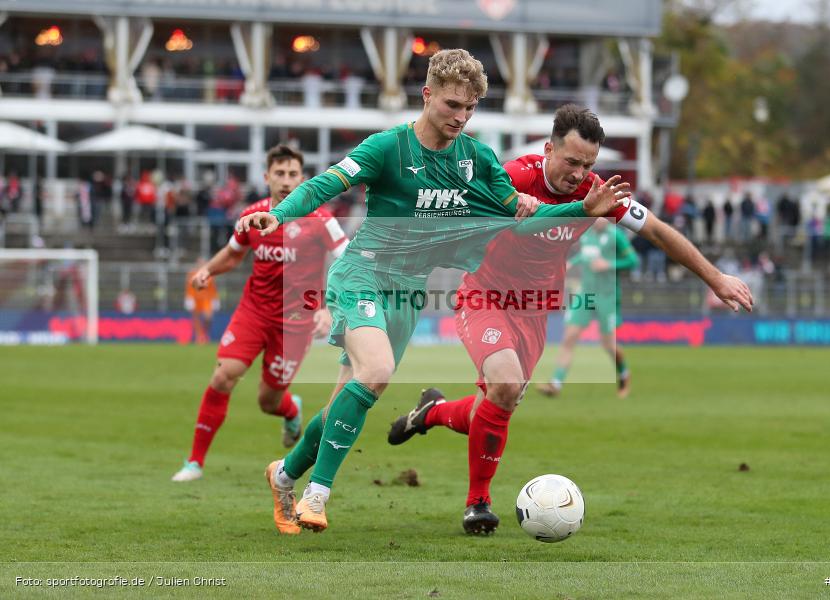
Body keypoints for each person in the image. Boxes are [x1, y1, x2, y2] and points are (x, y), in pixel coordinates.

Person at [237, 50, 634, 535]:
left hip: (409, 291)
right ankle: (316, 496)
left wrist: (580, 210)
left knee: (347, 398)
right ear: (427, 95)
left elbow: (522, 218)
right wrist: (279, 214)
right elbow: (324, 185)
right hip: (363, 273)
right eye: (452, 105)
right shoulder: (387, 147)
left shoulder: (477, 159)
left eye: (470, 108)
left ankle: (283, 475)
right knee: (376, 371)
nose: (461, 117)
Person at [385, 105, 754, 534]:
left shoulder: (596, 193)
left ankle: (431, 412)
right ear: (548, 150)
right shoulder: (512, 177)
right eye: (572, 161)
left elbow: (656, 230)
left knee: (497, 403)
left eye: (588, 165)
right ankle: (478, 503)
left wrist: (715, 278)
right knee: (505, 385)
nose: (579, 174)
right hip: (484, 296)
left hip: (535, 313)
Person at [171, 144, 348, 483]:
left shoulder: (321, 220)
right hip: (253, 312)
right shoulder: (251, 216)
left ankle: (291, 410)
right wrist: (208, 270)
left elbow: (348, 262)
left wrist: (328, 308)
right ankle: (194, 462)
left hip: (295, 324)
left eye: (293, 174)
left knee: (268, 401)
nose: (286, 180)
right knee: (223, 376)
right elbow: (232, 254)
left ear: (303, 178)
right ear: (267, 177)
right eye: (279, 173)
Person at [537, 217, 639, 398]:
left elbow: (633, 260)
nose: (598, 220)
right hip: (585, 293)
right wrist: (571, 263)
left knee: (608, 344)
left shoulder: (616, 235)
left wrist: (609, 264)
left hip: (607, 296)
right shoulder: (586, 233)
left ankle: (624, 373)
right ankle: (556, 383)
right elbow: (585, 255)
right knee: (569, 337)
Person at [184, 257, 220, 344]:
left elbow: (213, 288)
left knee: (208, 318)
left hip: (207, 298)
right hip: (195, 298)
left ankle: (205, 333)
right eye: (200, 263)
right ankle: (199, 336)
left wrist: (215, 299)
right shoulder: (192, 273)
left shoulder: (209, 275)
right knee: (196, 318)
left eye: (203, 263)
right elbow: (189, 287)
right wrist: (188, 298)